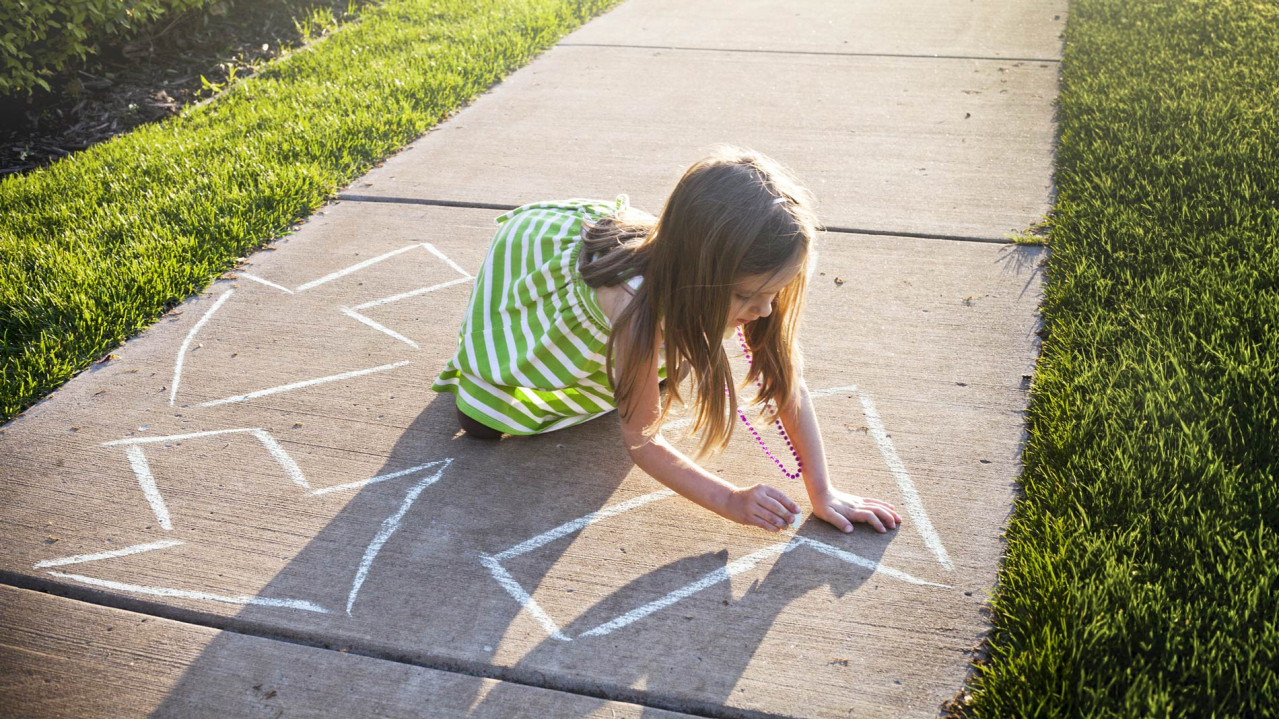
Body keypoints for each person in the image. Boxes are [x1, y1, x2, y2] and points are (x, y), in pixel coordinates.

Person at [432, 147, 902, 535]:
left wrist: (823, 490)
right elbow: (642, 441)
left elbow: (785, 380)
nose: (764, 310)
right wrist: (730, 500)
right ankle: (492, 383)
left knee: (656, 367)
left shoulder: (748, 284)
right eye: (747, 296)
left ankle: (649, 361)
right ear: (700, 276)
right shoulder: (636, 313)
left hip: (666, 291)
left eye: (774, 293)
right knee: (480, 422)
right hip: (560, 279)